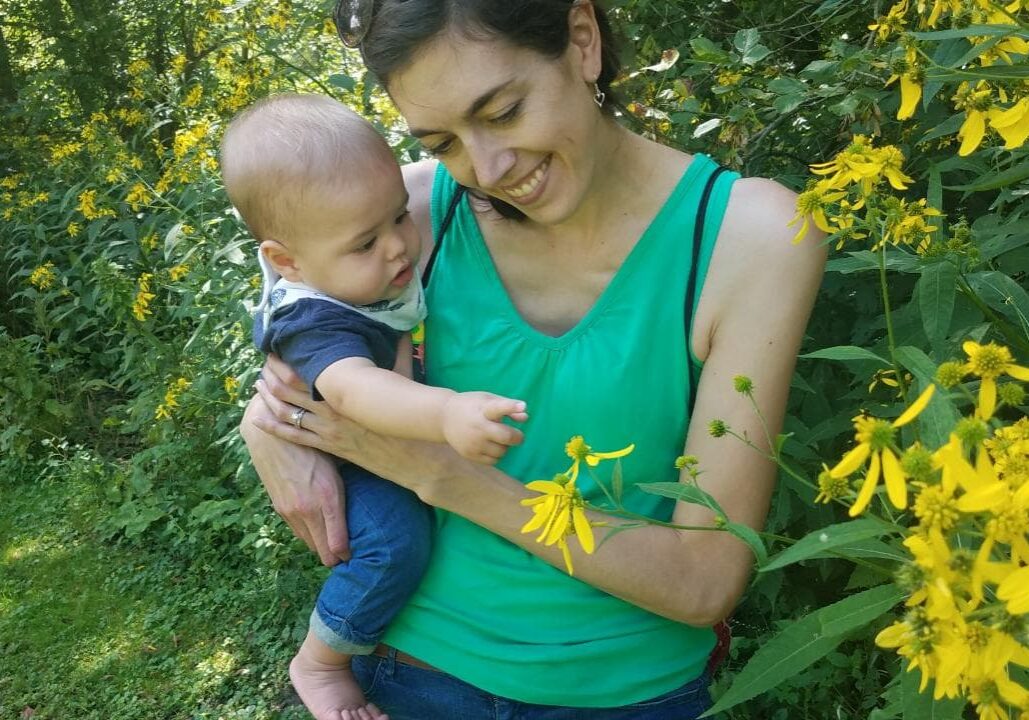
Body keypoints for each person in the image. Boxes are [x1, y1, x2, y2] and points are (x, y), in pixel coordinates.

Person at [241, 1, 827, 717]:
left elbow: (705, 582)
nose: (485, 169)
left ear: (581, 41)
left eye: (503, 111)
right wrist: (266, 424)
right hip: (404, 672)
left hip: (622, 695)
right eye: (441, 141)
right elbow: (296, 284)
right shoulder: (418, 211)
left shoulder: (748, 239)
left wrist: (439, 474)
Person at [221, 93, 529, 720]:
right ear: (288, 261)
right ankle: (321, 661)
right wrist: (445, 413)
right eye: (366, 243)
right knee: (395, 542)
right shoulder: (311, 317)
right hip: (353, 460)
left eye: (397, 218)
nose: (397, 248)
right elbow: (355, 389)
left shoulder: (361, 269)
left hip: (377, 446)